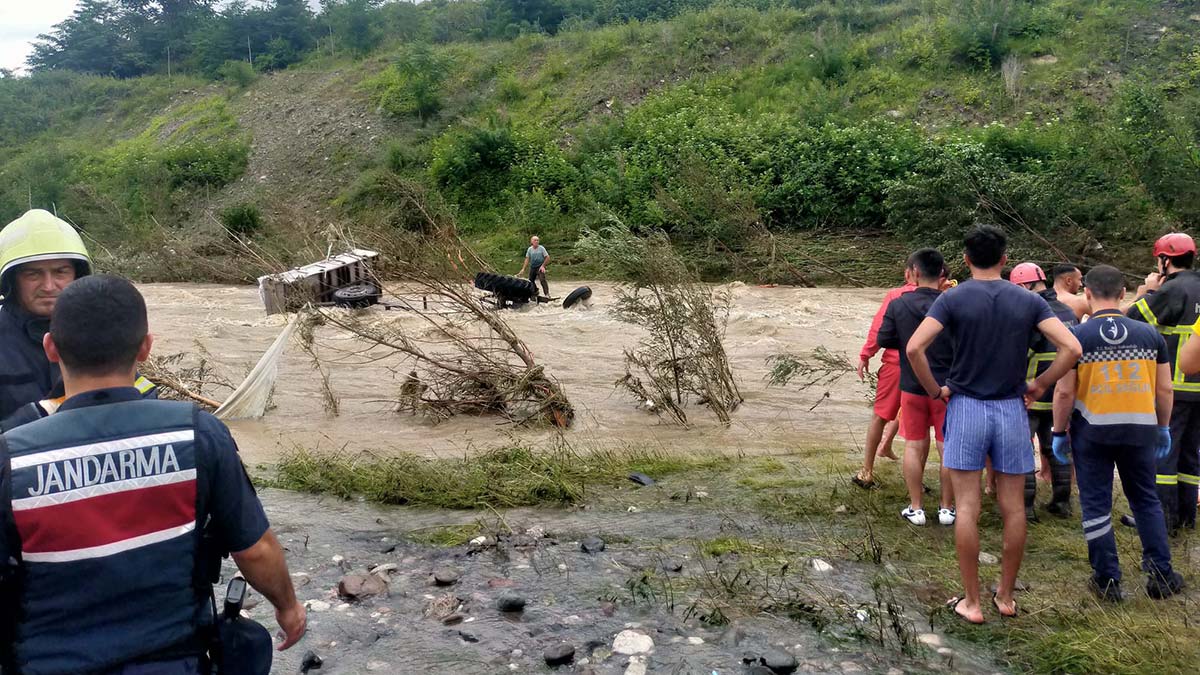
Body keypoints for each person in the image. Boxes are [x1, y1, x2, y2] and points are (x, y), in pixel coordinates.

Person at [0, 275, 306, 673]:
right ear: (145, 347)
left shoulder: (12, 457)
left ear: (51, 348)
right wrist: (288, 607)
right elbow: (255, 550)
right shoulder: (198, 434)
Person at [907, 225, 1080, 624]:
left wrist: (935, 390)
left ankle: (971, 602)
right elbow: (1072, 347)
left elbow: (915, 347)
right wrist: (1041, 383)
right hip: (1011, 409)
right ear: (1005, 259)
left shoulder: (952, 298)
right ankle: (1005, 596)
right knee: (1013, 508)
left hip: (966, 406)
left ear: (966, 259)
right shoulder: (1027, 300)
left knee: (967, 507)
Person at [1050, 265, 1185, 601]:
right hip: (1140, 429)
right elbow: (1165, 389)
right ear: (1123, 293)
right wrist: (1163, 427)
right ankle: (1161, 575)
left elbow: (1064, 392)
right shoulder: (1150, 335)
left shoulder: (1076, 338)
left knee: (1096, 504)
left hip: (1092, 432)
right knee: (1146, 500)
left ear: (1088, 294)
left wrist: (1058, 431)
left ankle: (1107, 581)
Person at [0, 209, 155, 425]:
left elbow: (136, 387)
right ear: (10, 281)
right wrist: (36, 417)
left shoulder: (100, 323)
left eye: (60, 272)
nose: (49, 286)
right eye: (33, 274)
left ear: (77, 275)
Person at [1125, 232, 1200, 533]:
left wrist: (1147, 291)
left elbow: (1133, 319)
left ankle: (1163, 520)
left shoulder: (1171, 290)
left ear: (1165, 260)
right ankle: (1186, 517)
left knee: (1163, 454)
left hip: (1175, 388)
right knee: (1190, 455)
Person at [876, 249, 956, 526]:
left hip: (912, 385)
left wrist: (905, 339)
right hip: (947, 388)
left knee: (914, 445)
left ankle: (916, 508)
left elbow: (884, 338)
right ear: (942, 273)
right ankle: (947, 509)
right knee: (947, 446)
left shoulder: (899, 303)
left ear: (914, 272)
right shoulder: (952, 303)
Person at [1010, 262, 1078, 520]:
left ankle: (1026, 508)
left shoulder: (1028, 312)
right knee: (1055, 447)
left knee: (1023, 448)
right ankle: (1062, 503)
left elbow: (1020, 352)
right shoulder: (1067, 311)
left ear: (1026, 286)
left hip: (1030, 392)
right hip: (1060, 392)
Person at [852, 272, 917, 488]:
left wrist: (866, 355)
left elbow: (879, 329)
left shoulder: (896, 296)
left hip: (896, 365)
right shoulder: (943, 296)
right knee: (918, 421)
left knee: (880, 416)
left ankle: (867, 471)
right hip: (930, 367)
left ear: (910, 273)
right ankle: (916, 481)